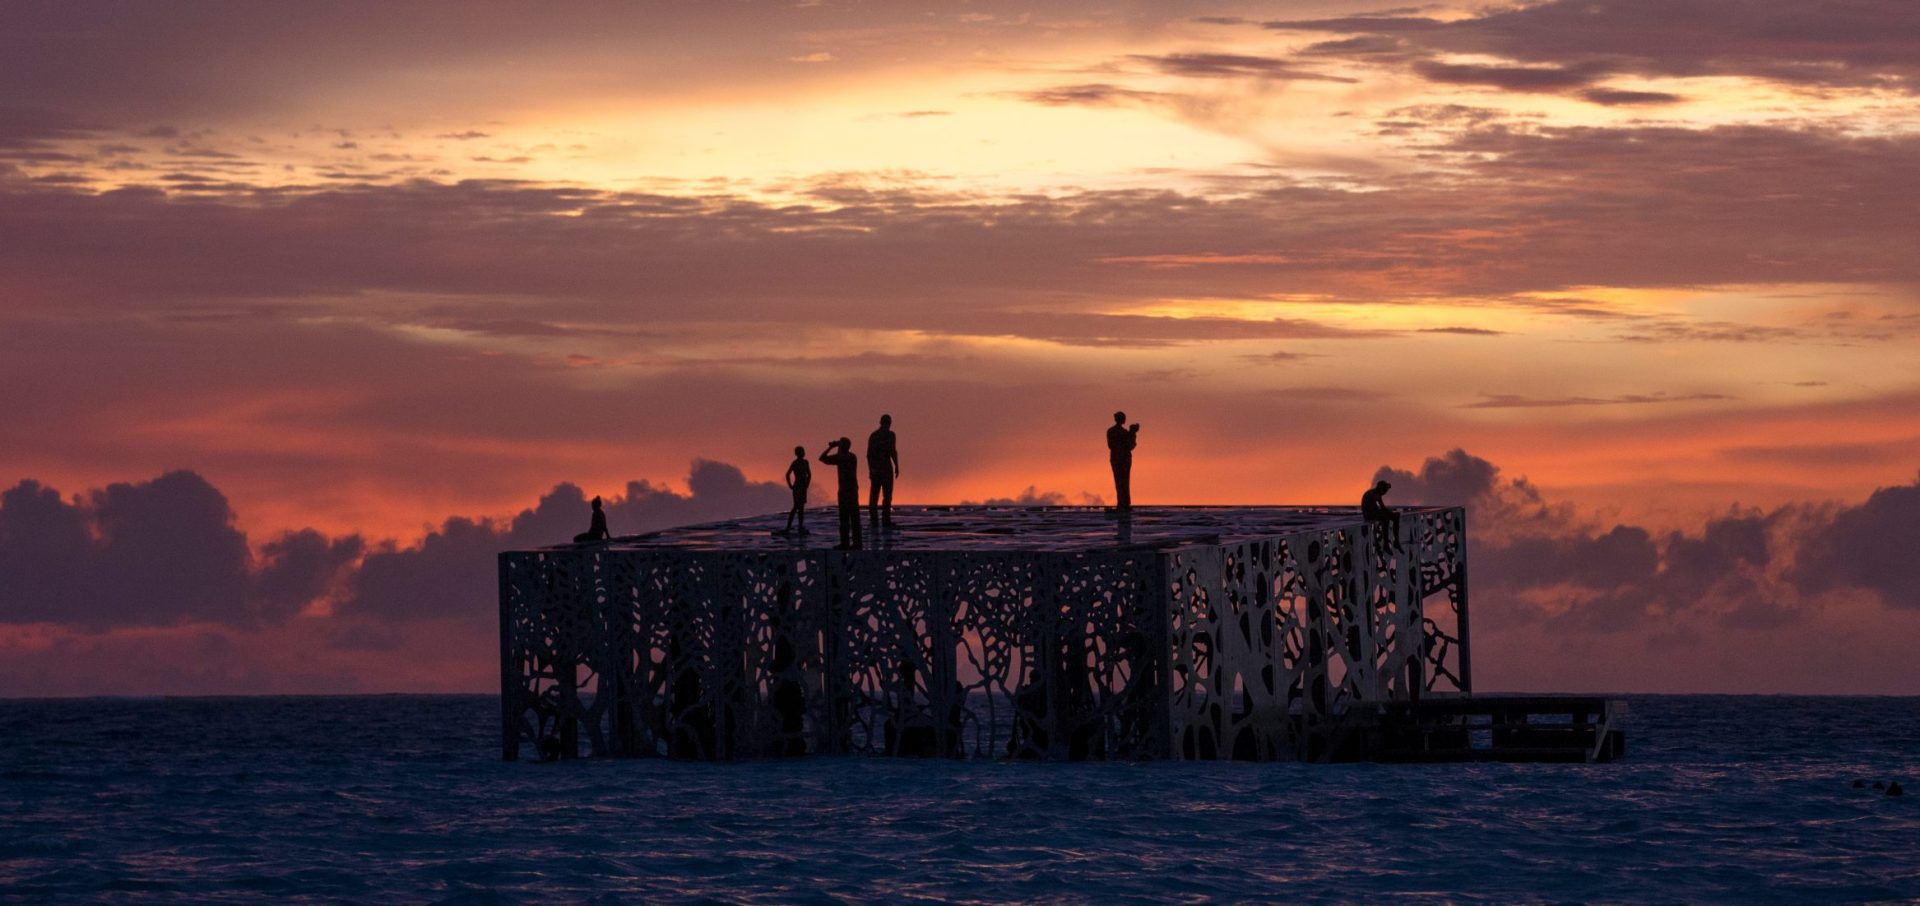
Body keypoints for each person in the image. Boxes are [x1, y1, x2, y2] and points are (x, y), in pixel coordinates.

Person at [820, 438, 862, 550]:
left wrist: (831, 447)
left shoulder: (843, 457)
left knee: (845, 518)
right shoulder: (852, 457)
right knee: (853, 518)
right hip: (852, 490)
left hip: (845, 491)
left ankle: (846, 543)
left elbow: (822, 458)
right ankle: (855, 543)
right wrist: (837, 445)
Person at [866, 414, 899, 529]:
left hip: (884, 468)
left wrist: (896, 466)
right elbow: (870, 455)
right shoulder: (876, 436)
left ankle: (883, 519)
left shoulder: (889, 435)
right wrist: (871, 469)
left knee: (884, 495)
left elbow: (893, 451)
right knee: (878, 495)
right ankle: (878, 519)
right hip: (879, 469)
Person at [1106, 411, 1140, 510]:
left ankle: (1123, 502)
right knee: (1123, 481)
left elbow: (1127, 445)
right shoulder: (1121, 432)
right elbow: (1130, 446)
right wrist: (1132, 433)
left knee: (1120, 481)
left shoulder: (1111, 431)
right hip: (1122, 459)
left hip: (1118, 459)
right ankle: (1123, 502)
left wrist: (1131, 433)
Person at [1361, 479, 1402, 552]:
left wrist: (1391, 514)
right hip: (1368, 514)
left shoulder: (1378, 494)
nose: (1385, 492)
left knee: (1395, 517)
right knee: (1385, 519)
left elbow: (1382, 507)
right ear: (1381, 489)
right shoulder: (1372, 494)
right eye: (1385, 490)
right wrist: (1387, 513)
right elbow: (1375, 509)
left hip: (1374, 512)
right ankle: (1386, 544)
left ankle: (1396, 541)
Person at [779, 446, 811, 536]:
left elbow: (809, 474)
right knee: (796, 506)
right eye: (801, 452)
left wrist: (807, 484)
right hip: (797, 487)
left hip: (802, 487)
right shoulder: (795, 463)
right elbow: (787, 474)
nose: (803, 453)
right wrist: (790, 485)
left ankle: (800, 527)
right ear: (798, 453)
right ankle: (789, 527)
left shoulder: (806, 462)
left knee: (801, 508)